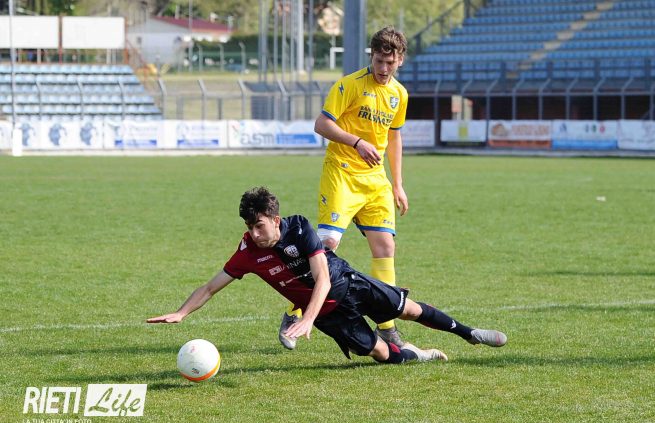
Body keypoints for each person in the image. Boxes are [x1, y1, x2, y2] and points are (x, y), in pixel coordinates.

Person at [147, 187, 507, 365]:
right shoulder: (248, 252)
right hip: (331, 315)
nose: (254, 233)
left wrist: (306, 318)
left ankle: (469, 333)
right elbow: (210, 287)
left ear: (275, 220)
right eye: (249, 227)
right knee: (381, 354)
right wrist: (182, 312)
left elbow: (322, 279)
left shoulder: (299, 228)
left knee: (408, 310)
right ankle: (420, 355)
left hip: (347, 283)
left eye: (259, 226)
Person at [278, 26, 411, 350]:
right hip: (342, 172)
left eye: (389, 63)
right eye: (378, 61)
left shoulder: (400, 94)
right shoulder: (349, 85)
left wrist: (398, 184)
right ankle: (295, 310)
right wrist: (357, 142)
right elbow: (322, 124)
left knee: (385, 248)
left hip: (375, 180)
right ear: (372, 56)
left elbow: (394, 137)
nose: (383, 69)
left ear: (400, 61)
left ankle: (387, 327)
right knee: (327, 245)